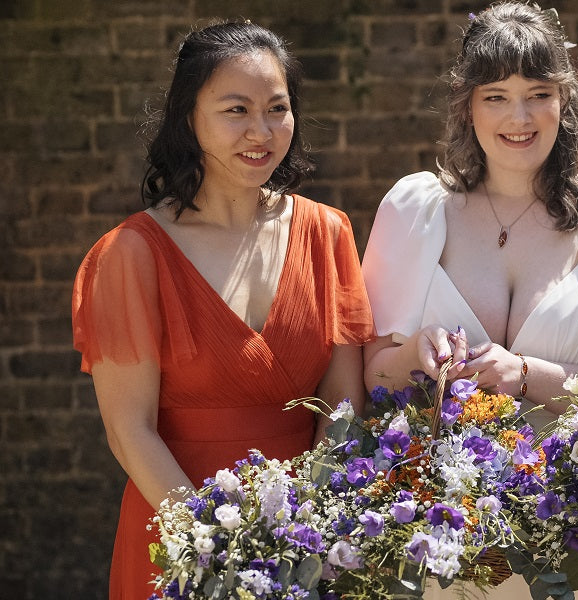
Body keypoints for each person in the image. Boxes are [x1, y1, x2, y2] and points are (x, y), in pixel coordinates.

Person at [360, 2, 578, 595]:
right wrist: (415, 351)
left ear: (564, 99)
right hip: (447, 543)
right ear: (467, 105)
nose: (520, 116)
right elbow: (375, 379)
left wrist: (528, 373)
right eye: (496, 96)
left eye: (538, 93)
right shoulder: (412, 210)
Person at [71, 22, 373, 598]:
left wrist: (305, 536)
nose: (261, 131)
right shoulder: (132, 254)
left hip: (308, 548)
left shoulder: (327, 233)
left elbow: (342, 408)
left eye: (277, 109)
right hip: (177, 541)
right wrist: (215, 551)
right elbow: (129, 431)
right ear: (189, 118)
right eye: (236, 109)